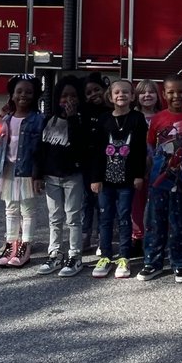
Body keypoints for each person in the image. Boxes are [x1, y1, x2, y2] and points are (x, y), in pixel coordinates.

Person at [141, 75, 182, 283]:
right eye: (171, 92)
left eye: (181, 92)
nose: (176, 96)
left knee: (178, 224)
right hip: (158, 182)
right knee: (155, 223)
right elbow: (150, 147)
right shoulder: (158, 119)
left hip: (181, 183)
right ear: (164, 94)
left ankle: (179, 263)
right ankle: (152, 262)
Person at [36, 76, 96, 277]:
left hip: (73, 176)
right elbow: (40, 150)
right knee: (54, 217)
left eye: (72, 96)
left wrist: (72, 119)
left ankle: (75, 256)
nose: (68, 100)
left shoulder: (81, 119)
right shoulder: (49, 119)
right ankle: (55, 253)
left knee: (73, 217)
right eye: (64, 96)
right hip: (51, 175)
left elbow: (81, 147)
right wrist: (37, 175)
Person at [91, 79, 148, 280]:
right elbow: (97, 151)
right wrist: (95, 178)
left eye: (126, 92)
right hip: (105, 180)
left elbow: (141, 149)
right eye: (117, 92)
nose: (121, 95)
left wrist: (139, 175)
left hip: (127, 180)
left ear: (132, 96)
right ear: (110, 96)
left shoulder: (137, 118)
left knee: (125, 218)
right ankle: (105, 256)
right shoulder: (104, 119)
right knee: (105, 219)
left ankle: (124, 257)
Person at [0, 74, 44, 268]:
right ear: (12, 95)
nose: (23, 95)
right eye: (19, 91)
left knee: (27, 209)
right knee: (10, 208)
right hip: (8, 171)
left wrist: (38, 175)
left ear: (35, 95)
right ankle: (11, 244)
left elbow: (40, 151)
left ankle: (25, 245)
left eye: (29, 92)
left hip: (27, 171)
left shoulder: (38, 120)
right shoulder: (6, 119)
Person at [79, 73, 111, 251]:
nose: (94, 94)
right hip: (87, 164)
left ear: (105, 90)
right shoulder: (84, 112)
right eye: (89, 92)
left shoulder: (111, 111)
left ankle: (101, 236)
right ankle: (85, 235)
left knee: (102, 202)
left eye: (97, 89)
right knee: (86, 201)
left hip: (107, 164)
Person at [131, 79, 161, 253]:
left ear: (158, 96)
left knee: (157, 203)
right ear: (137, 96)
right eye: (143, 92)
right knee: (137, 202)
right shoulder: (133, 116)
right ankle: (137, 236)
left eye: (151, 92)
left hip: (158, 166)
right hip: (137, 167)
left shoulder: (162, 115)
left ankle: (157, 235)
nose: (147, 95)